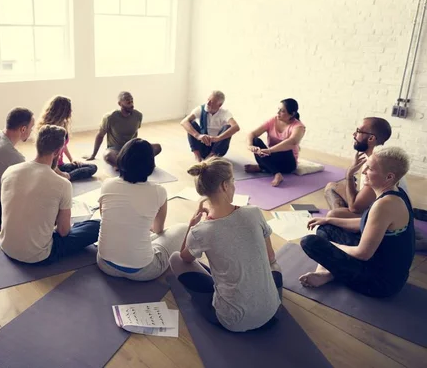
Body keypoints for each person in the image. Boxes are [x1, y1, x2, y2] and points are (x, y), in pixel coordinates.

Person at [169, 157, 282, 332]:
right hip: (271, 309)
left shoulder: (200, 231)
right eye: (233, 181)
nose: (234, 185)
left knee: (175, 258)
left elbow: (184, 258)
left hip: (234, 321)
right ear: (224, 186)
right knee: (274, 265)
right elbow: (270, 257)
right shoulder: (254, 212)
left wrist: (191, 225)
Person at [299, 147, 414, 298]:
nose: (364, 171)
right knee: (326, 227)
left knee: (309, 242)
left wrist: (331, 245)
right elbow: (367, 223)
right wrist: (329, 219)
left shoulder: (385, 204)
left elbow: (363, 253)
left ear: (389, 177)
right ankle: (327, 273)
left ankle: (327, 273)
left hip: (381, 283)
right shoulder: (397, 192)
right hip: (381, 262)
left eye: (370, 168)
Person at [0, 125, 100, 264]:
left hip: (6, 245)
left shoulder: (10, 171)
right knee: (97, 226)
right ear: (58, 151)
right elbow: (63, 232)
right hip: (37, 255)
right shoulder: (62, 184)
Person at [97, 139, 188, 281]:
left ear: (121, 159)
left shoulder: (107, 184)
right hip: (142, 271)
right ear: (150, 165)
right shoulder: (158, 191)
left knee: (133, 231)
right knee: (183, 228)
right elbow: (158, 229)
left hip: (104, 263)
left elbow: (104, 216)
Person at [324, 117, 408, 217]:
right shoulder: (377, 156)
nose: (354, 134)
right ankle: (343, 223)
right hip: (376, 203)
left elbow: (354, 207)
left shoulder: (378, 164)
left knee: (333, 215)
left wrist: (349, 175)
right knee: (331, 187)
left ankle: (344, 225)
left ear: (371, 138)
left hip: (386, 217)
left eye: (358, 131)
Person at [85, 91, 162, 168]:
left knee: (157, 147)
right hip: (116, 150)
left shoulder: (138, 115)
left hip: (132, 148)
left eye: (132, 101)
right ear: (120, 103)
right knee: (108, 156)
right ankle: (130, 164)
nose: (131, 104)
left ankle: (125, 164)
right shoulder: (110, 117)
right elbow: (100, 136)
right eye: (127, 101)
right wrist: (93, 155)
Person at [245, 98, 306, 187]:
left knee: (286, 147)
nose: (278, 113)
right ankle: (272, 171)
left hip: (288, 163)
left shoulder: (299, 127)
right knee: (255, 141)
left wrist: (270, 150)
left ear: (292, 114)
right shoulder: (273, 120)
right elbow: (252, 133)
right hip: (271, 156)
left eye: (282, 111)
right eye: (278, 110)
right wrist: (250, 146)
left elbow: (292, 142)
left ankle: (265, 168)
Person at [36, 95, 98, 181]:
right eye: (70, 109)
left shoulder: (63, 124)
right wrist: (61, 173)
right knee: (88, 169)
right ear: (63, 111)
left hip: (60, 165)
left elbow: (63, 145)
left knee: (92, 167)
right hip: (51, 167)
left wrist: (72, 159)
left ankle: (65, 176)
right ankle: (65, 177)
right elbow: (48, 159)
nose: (71, 111)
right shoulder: (48, 130)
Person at [181, 90, 240, 161]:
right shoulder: (201, 109)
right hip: (202, 144)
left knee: (228, 127)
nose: (208, 103)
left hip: (217, 147)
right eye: (208, 100)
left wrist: (218, 138)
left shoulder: (225, 113)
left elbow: (236, 127)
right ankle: (198, 157)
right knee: (191, 123)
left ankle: (211, 157)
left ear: (219, 105)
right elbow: (184, 122)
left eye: (211, 102)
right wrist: (198, 136)